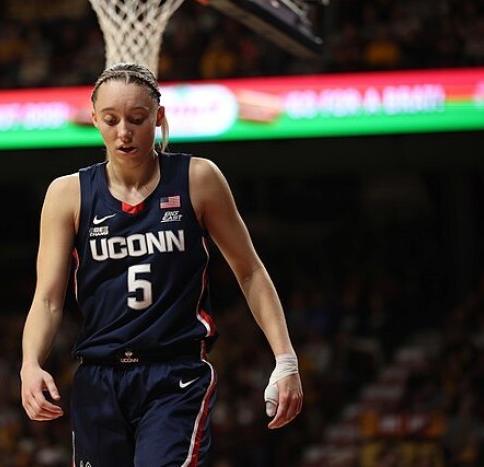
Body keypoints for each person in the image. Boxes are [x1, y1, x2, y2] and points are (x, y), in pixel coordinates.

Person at [20, 62, 302, 466]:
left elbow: (250, 271)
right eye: (112, 120)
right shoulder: (67, 194)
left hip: (175, 375)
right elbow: (48, 300)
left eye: (136, 119)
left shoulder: (197, 178)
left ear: (159, 117)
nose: (123, 132)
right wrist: (30, 364)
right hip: (99, 377)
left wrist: (285, 360)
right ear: (95, 119)